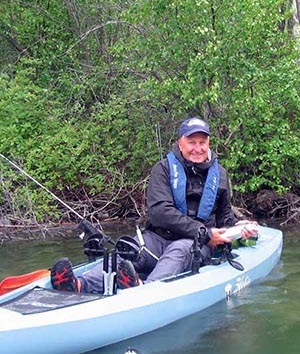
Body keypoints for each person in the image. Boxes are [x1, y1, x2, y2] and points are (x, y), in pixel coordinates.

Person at [50, 117, 256, 294]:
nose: (198, 148)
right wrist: (205, 232)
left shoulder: (220, 175)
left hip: (197, 244)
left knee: (181, 249)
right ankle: (78, 284)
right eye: (192, 142)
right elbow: (159, 213)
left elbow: (224, 217)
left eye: (202, 142)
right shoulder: (163, 169)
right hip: (159, 237)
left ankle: (144, 289)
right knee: (130, 250)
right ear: (181, 143)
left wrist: (239, 227)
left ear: (209, 143)